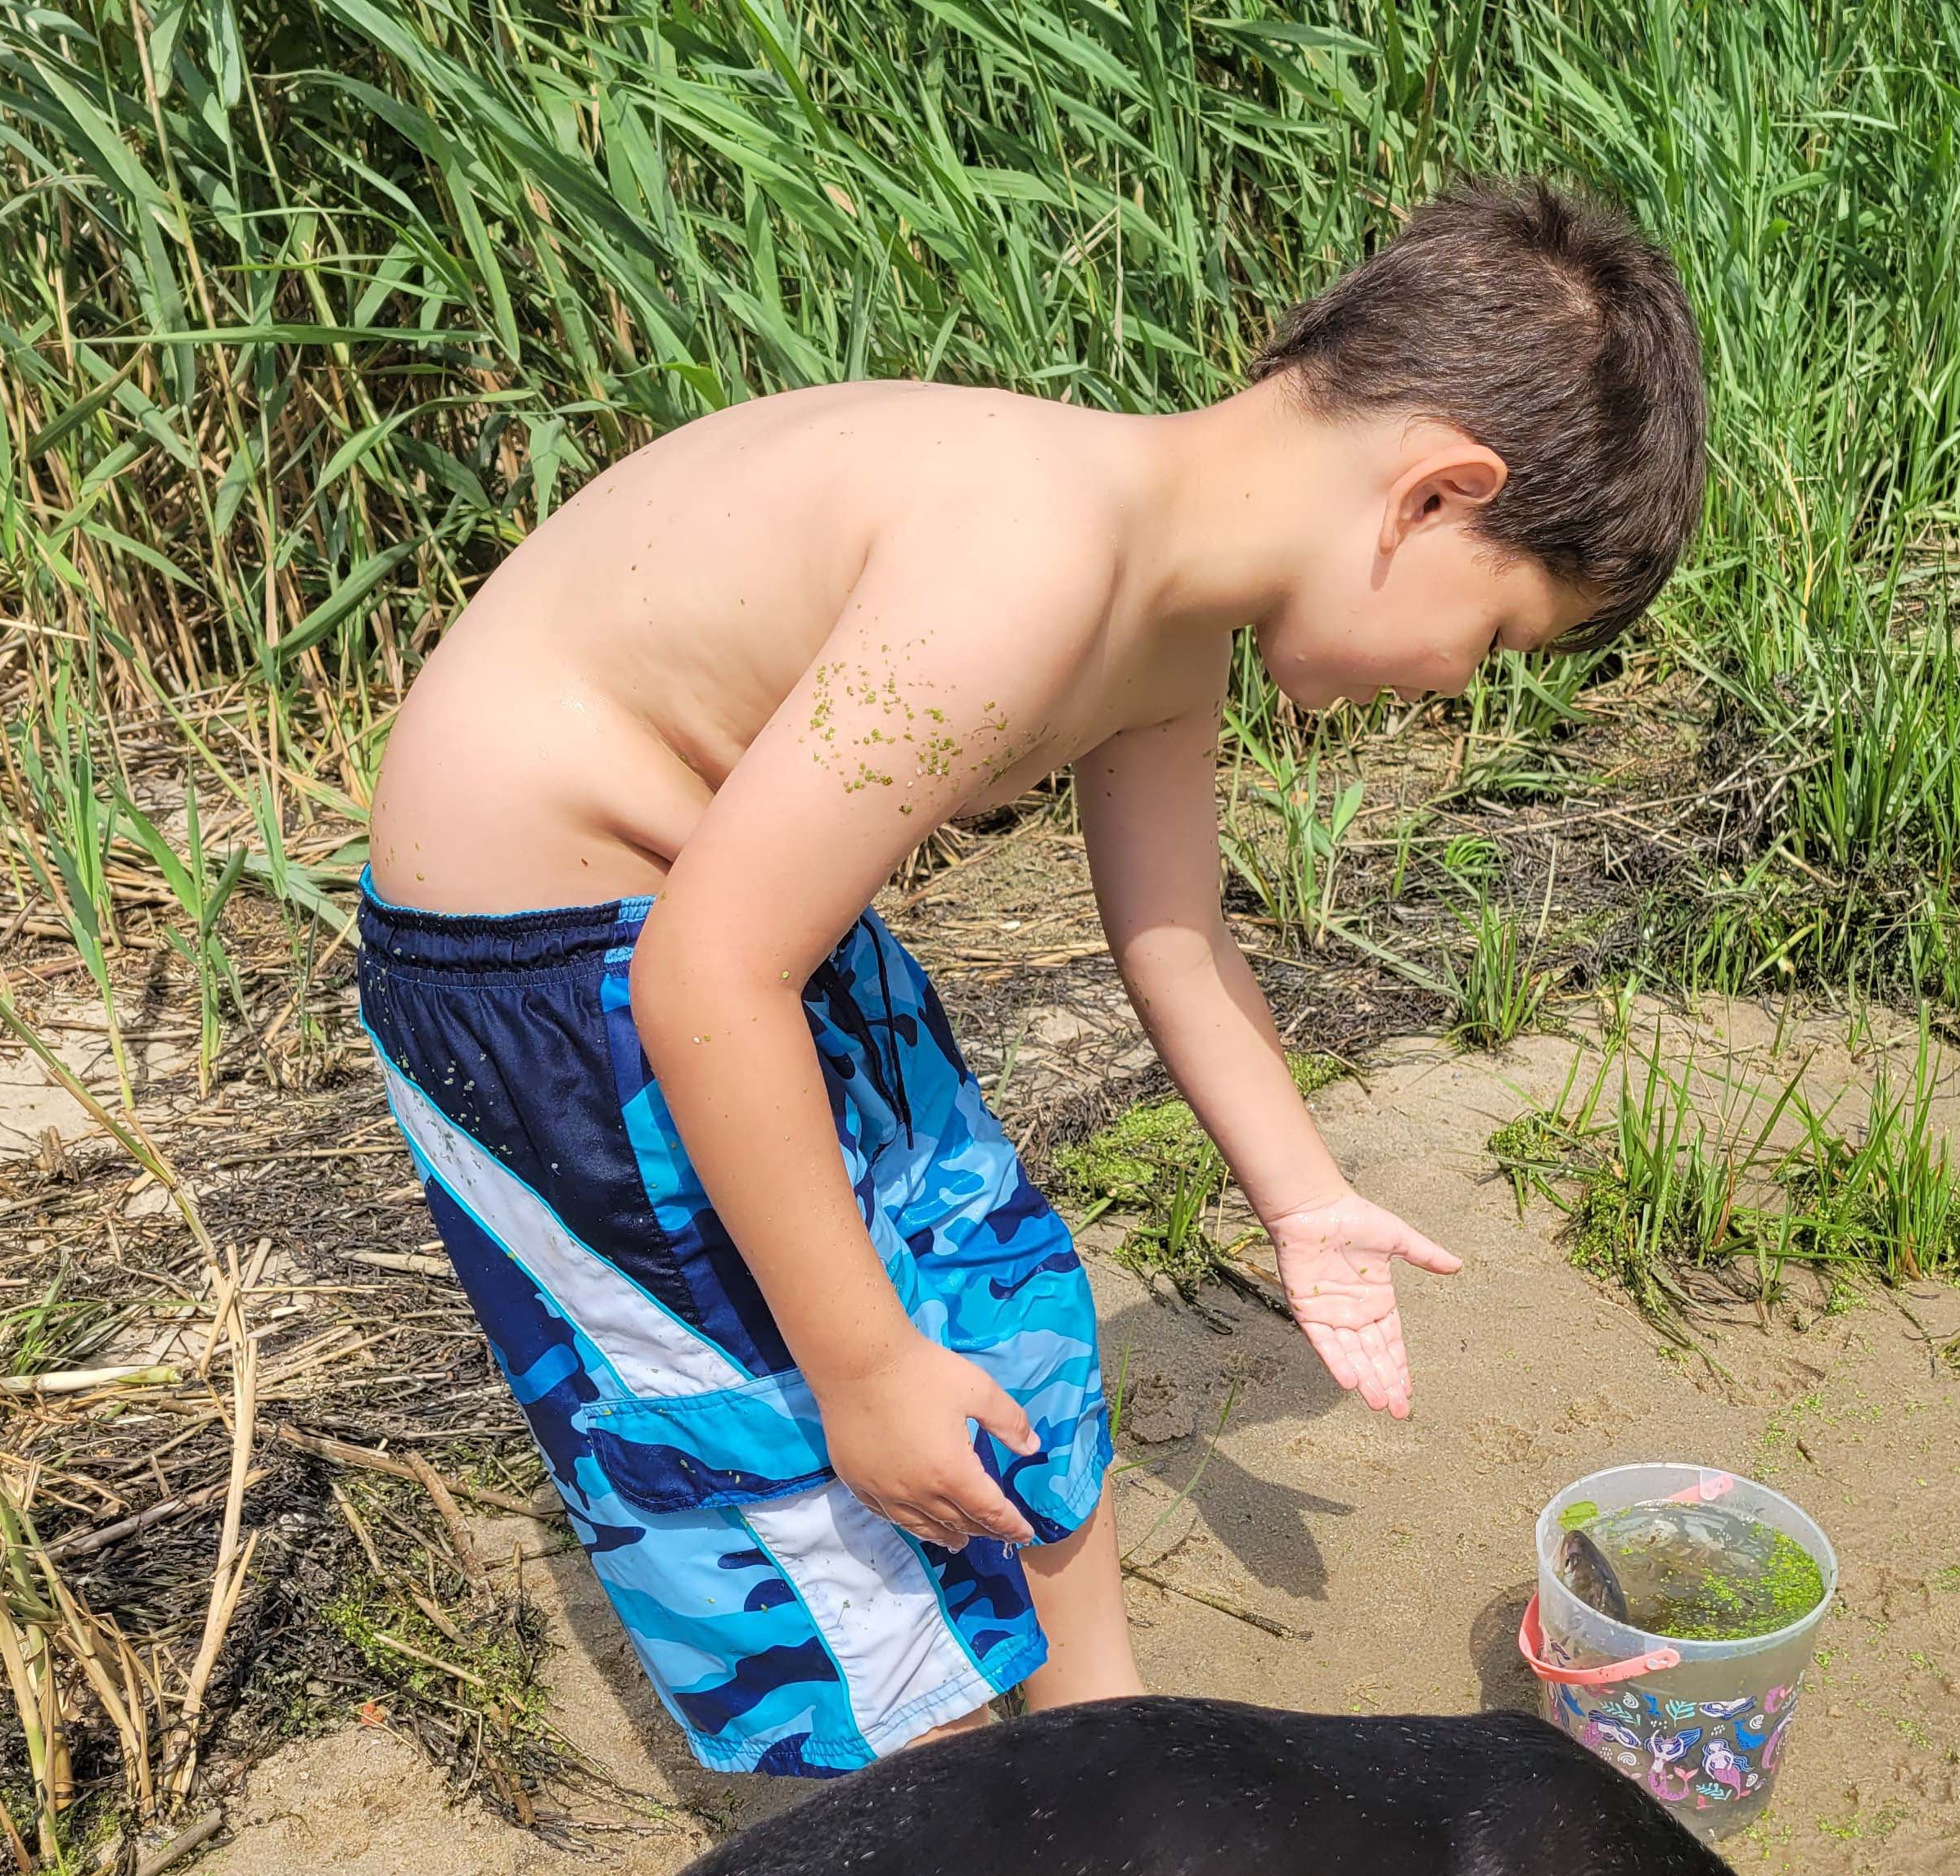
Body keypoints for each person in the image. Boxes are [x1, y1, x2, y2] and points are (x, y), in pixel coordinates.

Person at [356, 179, 1706, 1777]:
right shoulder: (1034, 556)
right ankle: (911, 1845)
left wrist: (1301, 1191)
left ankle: (1099, 1758)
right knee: (790, 1447)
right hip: (558, 973)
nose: (1451, 688)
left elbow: (1178, 939)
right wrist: (860, 1369)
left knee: (1007, 1306)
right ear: (1432, 497)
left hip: (743, 903)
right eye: (1489, 638)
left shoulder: (1164, 614)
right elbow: (706, 977)